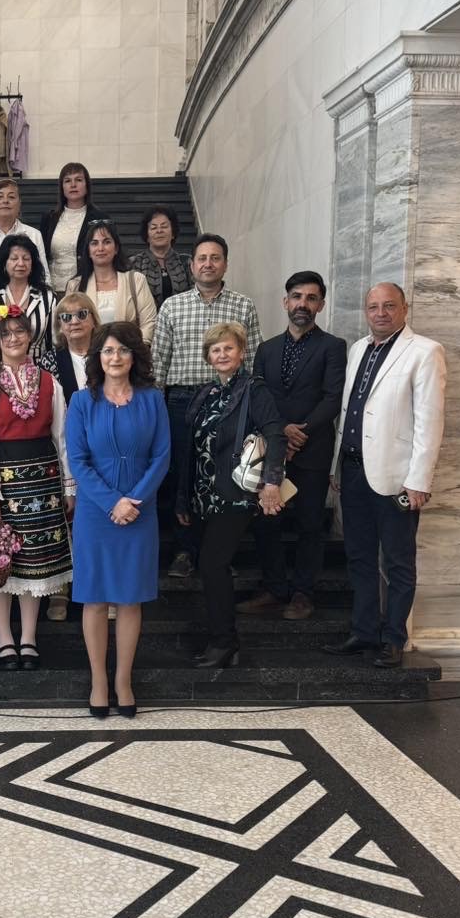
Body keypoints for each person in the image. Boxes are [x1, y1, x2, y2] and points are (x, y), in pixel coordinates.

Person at [325, 283, 446, 667]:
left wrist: (419, 481)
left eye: (389, 306)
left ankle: (394, 638)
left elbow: (430, 422)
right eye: (373, 307)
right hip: (353, 470)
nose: (380, 313)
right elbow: (349, 412)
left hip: (396, 477)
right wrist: (337, 465)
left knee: (398, 561)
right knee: (359, 556)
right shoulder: (358, 349)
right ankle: (363, 632)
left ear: (404, 309)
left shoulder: (424, 351)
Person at [66, 323, 170, 717]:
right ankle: (98, 681)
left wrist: (133, 500)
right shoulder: (81, 401)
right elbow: (78, 460)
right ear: (97, 358)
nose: (115, 358)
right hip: (96, 511)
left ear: (134, 356)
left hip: (140, 511)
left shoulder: (152, 399)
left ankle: (123, 680)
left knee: (130, 598)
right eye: (107, 351)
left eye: (122, 350)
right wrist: (113, 502)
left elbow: (161, 456)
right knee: (94, 599)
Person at [0, 308, 75, 668]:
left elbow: (62, 437)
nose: (13, 339)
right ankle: (3, 636)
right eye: (6, 334)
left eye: (19, 332)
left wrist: (68, 485)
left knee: (35, 563)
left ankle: (28, 636)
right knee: (2, 562)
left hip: (43, 482)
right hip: (5, 483)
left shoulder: (49, 382)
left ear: (30, 336)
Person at [152, 233, 263, 580]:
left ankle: (219, 551)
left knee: (223, 475)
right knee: (182, 474)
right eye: (202, 258)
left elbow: (253, 358)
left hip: (230, 399)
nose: (208, 264)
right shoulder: (172, 306)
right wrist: (155, 406)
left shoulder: (243, 305)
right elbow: (158, 360)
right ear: (191, 265)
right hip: (182, 400)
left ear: (225, 264)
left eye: (215, 258)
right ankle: (184, 550)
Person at [176, 322, 285, 668]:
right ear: (208, 356)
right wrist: (183, 499)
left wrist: (272, 483)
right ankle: (224, 641)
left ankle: (224, 642)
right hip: (205, 497)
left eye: (228, 348)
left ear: (241, 352)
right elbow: (190, 451)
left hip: (236, 496)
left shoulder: (255, 390)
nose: (222, 354)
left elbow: (276, 435)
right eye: (215, 349)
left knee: (213, 564)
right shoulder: (206, 393)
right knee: (211, 567)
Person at [240, 272, 347, 620]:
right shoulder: (266, 349)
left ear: (321, 305)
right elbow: (260, 397)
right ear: (285, 302)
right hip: (273, 451)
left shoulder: (332, 347)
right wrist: (281, 431)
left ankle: (302, 593)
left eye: (311, 298)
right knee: (266, 521)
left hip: (312, 450)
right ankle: (274, 588)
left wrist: (301, 432)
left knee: (309, 524)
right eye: (297, 296)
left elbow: (332, 398)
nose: (303, 304)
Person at [47, 291, 102, 623]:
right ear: (59, 326)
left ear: (94, 319)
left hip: (105, 449)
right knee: (65, 515)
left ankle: (100, 587)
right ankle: (61, 588)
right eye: (65, 317)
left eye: (82, 314)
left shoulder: (107, 353)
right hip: (63, 446)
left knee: (99, 520)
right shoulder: (50, 361)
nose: (74, 321)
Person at [66, 220, 157, 345]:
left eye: (107, 242)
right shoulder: (75, 286)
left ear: (116, 249)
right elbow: (69, 326)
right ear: (88, 251)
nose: (100, 248)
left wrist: (132, 350)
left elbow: (149, 323)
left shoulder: (136, 280)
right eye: (94, 243)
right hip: (88, 353)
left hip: (129, 352)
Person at [39, 163, 106, 293]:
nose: (73, 185)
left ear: (87, 186)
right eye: (67, 181)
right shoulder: (49, 218)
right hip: (52, 290)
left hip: (85, 289)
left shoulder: (99, 218)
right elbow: (42, 255)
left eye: (78, 180)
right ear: (62, 187)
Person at [0, 232, 57, 366]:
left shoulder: (47, 297)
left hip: (38, 366)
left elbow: (53, 342)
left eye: (26, 259)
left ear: (33, 264)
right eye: (14, 258)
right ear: (4, 263)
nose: (21, 263)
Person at [129, 207, 193, 310]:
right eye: (153, 228)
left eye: (164, 226)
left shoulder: (187, 262)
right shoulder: (134, 263)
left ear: (173, 233)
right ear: (147, 236)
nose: (159, 231)